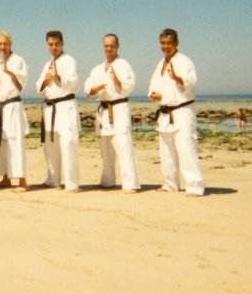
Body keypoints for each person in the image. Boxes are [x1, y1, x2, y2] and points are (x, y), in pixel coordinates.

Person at [148, 28, 205, 197]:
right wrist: (154, 94)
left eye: (169, 43)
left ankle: (195, 186)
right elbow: (154, 85)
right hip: (165, 112)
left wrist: (177, 77)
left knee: (186, 148)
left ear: (176, 43)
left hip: (182, 111)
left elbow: (190, 83)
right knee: (166, 151)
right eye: (163, 43)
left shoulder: (184, 61)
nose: (166, 46)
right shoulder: (161, 63)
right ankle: (170, 183)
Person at [84, 34, 140, 193]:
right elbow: (88, 86)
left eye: (112, 46)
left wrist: (117, 80)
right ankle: (107, 181)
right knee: (106, 148)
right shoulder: (97, 68)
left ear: (117, 46)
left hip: (119, 108)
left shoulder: (123, 65)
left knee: (123, 145)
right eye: (106, 46)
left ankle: (130, 184)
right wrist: (93, 90)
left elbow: (130, 85)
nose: (109, 49)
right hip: (104, 110)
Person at [36, 31, 80, 192]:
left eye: (56, 44)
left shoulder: (69, 61)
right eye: (50, 44)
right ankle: (53, 180)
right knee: (50, 147)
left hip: (66, 106)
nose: (53, 47)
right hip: (50, 108)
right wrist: (46, 80)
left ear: (62, 43)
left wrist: (57, 77)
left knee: (68, 144)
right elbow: (39, 88)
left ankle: (71, 183)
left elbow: (73, 83)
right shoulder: (47, 64)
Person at [0, 31, 29, 191]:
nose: (3, 47)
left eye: (5, 43)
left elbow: (22, 82)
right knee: (1, 143)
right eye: (0, 44)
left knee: (15, 142)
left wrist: (9, 71)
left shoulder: (18, 61)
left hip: (12, 106)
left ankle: (22, 181)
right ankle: (5, 178)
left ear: (11, 44)